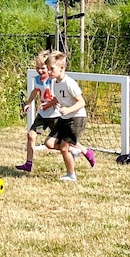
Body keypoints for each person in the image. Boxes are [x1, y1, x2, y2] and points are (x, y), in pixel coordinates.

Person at [17, 50, 93, 174]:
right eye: (38, 68)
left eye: (43, 68)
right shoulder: (38, 79)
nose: (40, 71)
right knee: (31, 135)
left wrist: (50, 105)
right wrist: (28, 102)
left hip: (56, 114)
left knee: (64, 142)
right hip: (43, 114)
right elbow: (35, 91)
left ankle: (80, 151)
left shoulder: (55, 80)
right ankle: (28, 163)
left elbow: (58, 99)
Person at [43, 50, 90, 182]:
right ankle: (75, 150)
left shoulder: (70, 83)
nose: (49, 71)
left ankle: (71, 175)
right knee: (49, 143)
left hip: (76, 118)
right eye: (47, 69)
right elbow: (58, 98)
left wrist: (69, 110)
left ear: (62, 67)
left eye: (51, 69)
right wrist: (48, 105)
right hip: (64, 118)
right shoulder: (55, 82)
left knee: (64, 148)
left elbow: (82, 102)